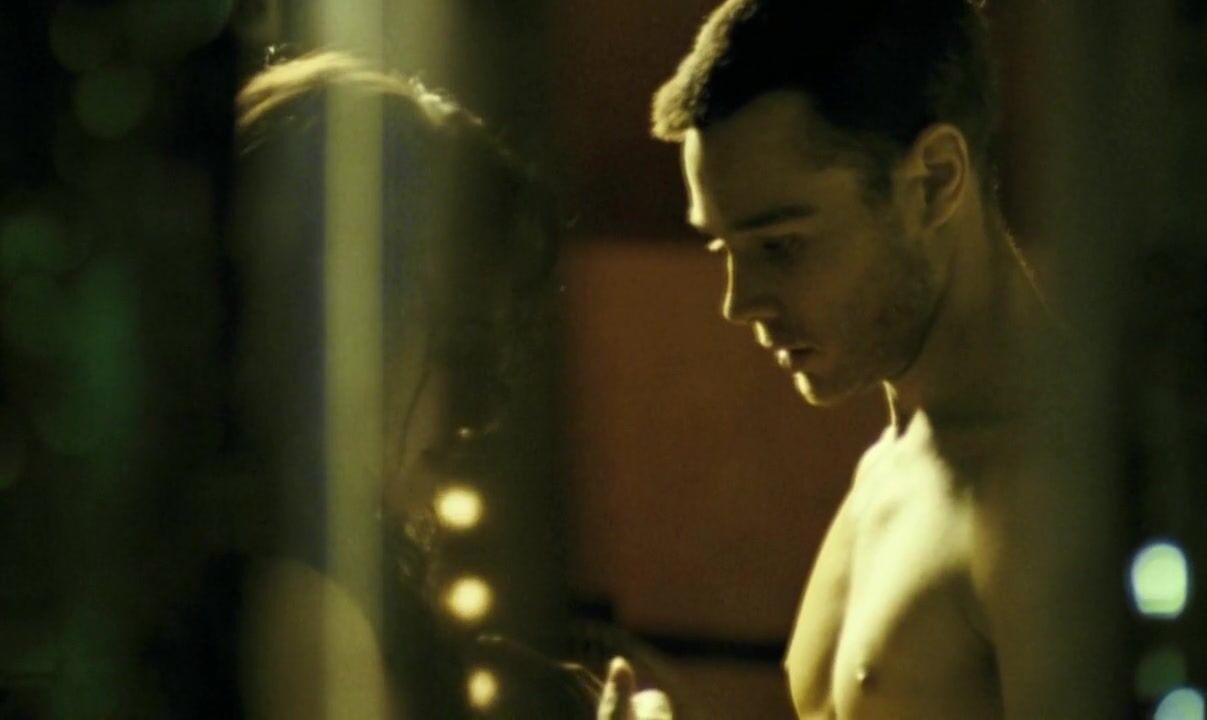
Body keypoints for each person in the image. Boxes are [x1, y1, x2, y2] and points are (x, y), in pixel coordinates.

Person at [600, 1, 1132, 718]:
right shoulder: (896, 460)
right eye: (723, 247)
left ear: (934, 181)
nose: (738, 302)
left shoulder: (1057, 494)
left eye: (780, 245)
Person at [142, 51, 582, 719]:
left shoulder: (218, 562)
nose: (478, 409)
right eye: (458, 345)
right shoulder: (297, 612)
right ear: (331, 322)